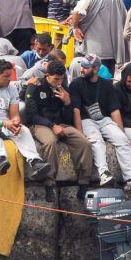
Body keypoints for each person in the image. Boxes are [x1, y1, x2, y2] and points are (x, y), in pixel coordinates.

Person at [68, 55, 131, 190]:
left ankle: (130, 179)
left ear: (96, 69)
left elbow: (114, 110)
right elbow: (76, 110)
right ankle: (103, 173)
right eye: (82, 66)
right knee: (96, 140)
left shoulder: (106, 85)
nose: (81, 69)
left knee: (122, 140)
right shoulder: (76, 84)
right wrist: (80, 133)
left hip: (104, 119)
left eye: (86, 67)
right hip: (86, 120)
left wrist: (122, 132)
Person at [22, 60, 94, 198]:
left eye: (61, 78)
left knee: (84, 142)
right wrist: (51, 126)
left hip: (61, 124)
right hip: (40, 124)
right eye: (56, 79)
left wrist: (67, 103)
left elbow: (67, 118)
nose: (59, 82)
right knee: (50, 142)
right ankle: (50, 183)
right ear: (47, 76)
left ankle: (84, 182)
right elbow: (31, 115)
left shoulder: (63, 88)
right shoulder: (35, 86)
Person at [0, 59, 52, 178]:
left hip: (5, 123)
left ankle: (35, 161)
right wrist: (4, 123)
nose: (9, 79)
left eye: (10, 75)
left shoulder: (11, 88)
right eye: (6, 76)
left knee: (23, 129)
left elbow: (14, 114)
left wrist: (16, 122)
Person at [68, 0, 127, 73]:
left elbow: (77, 12)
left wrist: (75, 27)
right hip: (112, 51)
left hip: (92, 50)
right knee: (107, 76)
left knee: (90, 75)